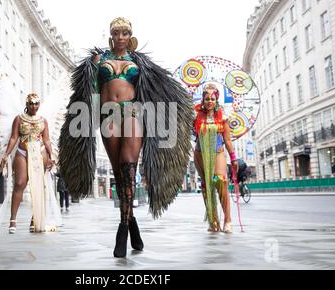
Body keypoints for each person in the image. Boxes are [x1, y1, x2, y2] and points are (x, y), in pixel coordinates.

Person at [59, 17, 193, 258]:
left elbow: (158, 88)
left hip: (133, 111)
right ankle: (132, 223)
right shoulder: (98, 60)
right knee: (119, 173)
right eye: (116, 33)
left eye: (124, 33)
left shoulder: (139, 61)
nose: (120, 37)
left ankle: (122, 228)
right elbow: (87, 91)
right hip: (107, 115)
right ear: (111, 36)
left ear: (130, 36)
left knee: (129, 167)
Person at [0, 93, 56, 234]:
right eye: (31, 103)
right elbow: (13, 138)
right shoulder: (19, 119)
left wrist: (51, 155)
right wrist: (6, 154)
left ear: (39, 105)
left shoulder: (43, 120)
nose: (34, 106)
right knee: (20, 183)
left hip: (40, 153)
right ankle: (13, 219)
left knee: (38, 185)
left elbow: (47, 140)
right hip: (22, 152)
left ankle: (35, 218)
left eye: (36, 103)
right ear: (27, 104)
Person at [193, 84, 239, 234]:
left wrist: (233, 159)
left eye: (212, 98)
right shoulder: (196, 115)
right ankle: (213, 221)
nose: (209, 101)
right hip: (200, 153)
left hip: (218, 152)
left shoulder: (222, 116)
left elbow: (227, 140)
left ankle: (228, 220)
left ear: (216, 99)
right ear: (203, 100)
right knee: (206, 186)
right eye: (207, 98)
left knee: (220, 181)